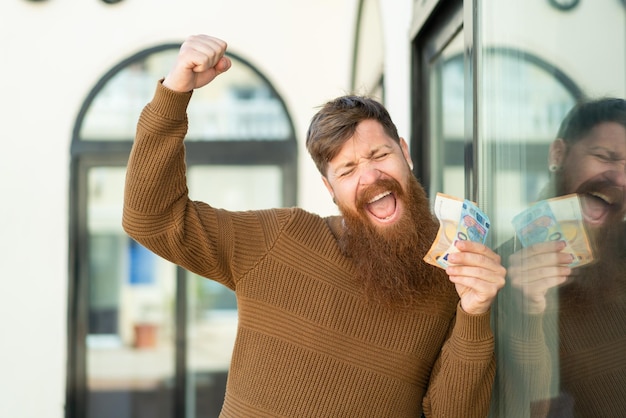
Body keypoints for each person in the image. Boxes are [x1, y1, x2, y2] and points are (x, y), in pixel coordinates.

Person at [122, 34, 506, 418]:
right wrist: (175, 91)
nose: (371, 176)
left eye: (379, 155)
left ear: (404, 153)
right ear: (330, 189)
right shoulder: (281, 237)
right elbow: (151, 219)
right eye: (347, 170)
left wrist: (474, 312)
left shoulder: (455, 277)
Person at [492, 97, 626, 417]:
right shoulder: (500, 271)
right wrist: (528, 314)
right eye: (605, 157)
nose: (620, 179)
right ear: (558, 154)